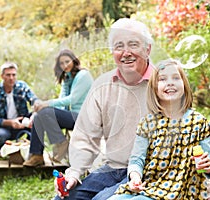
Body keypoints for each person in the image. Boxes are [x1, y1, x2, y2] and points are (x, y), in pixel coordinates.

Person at [54, 18, 154, 200]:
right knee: (66, 198)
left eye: (133, 44)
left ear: (147, 49)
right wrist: (75, 171)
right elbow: (85, 135)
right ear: (112, 52)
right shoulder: (103, 85)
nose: (126, 53)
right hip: (113, 168)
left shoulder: (163, 84)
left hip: (150, 172)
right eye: (119, 46)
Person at [108, 59, 210, 200]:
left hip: (183, 190)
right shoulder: (148, 123)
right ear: (154, 88)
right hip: (152, 185)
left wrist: (208, 166)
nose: (170, 82)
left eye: (176, 78)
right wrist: (135, 177)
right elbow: (137, 159)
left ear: (184, 84)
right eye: (163, 79)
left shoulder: (198, 122)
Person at [23, 49, 94, 167]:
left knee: (45, 111)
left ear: (74, 60)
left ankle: (60, 142)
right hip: (73, 116)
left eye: (67, 61)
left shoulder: (83, 75)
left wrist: (47, 104)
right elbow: (61, 102)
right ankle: (37, 155)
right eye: (61, 63)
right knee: (39, 116)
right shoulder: (68, 77)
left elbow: (73, 99)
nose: (65, 65)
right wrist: (39, 111)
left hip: (85, 118)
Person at [0, 62, 39, 153]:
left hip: (22, 122)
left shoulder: (22, 87)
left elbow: (35, 101)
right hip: (4, 126)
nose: (11, 78)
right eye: (8, 75)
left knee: (39, 118)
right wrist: (11, 123)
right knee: (0, 135)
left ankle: (32, 151)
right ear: (2, 76)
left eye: (13, 75)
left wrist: (34, 114)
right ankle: (2, 152)